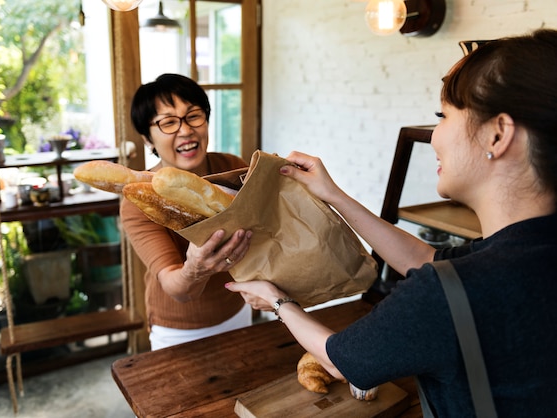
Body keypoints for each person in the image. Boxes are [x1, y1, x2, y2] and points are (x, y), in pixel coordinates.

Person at [226, 29, 557, 416]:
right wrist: (333, 194)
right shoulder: (527, 250)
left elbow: (340, 360)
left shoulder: (441, 297)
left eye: (444, 116)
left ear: (497, 134)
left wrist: (274, 299)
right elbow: (426, 257)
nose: (434, 136)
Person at [121, 73, 252, 350]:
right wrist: (195, 268)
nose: (185, 130)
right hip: (179, 330)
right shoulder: (139, 196)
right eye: (168, 122)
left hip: (239, 309)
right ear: (147, 138)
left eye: (194, 115)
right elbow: (174, 285)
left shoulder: (231, 167)